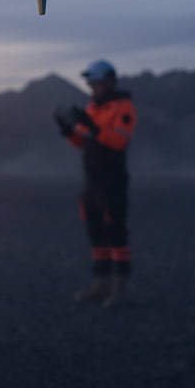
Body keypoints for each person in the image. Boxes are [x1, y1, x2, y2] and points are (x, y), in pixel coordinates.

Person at [54, 59, 137, 307]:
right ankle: (101, 286)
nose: (92, 88)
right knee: (96, 234)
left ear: (109, 81)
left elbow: (118, 141)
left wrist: (91, 126)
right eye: (90, 84)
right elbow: (82, 142)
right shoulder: (94, 108)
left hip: (112, 181)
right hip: (91, 181)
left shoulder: (123, 108)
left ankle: (120, 290)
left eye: (96, 83)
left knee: (116, 233)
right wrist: (68, 129)